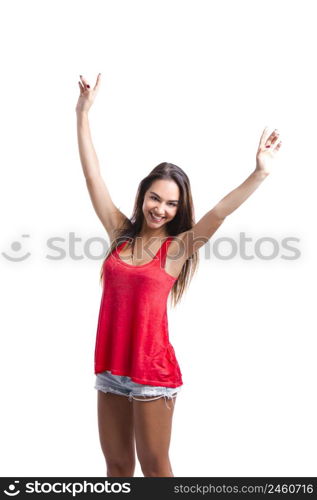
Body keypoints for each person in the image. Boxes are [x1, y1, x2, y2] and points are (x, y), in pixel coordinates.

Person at [76, 73, 282, 478]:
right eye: (155, 197)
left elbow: (219, 212)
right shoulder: (120, 234)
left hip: (151, 372)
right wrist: (83, 113)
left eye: (172, 204)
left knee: (155, 469)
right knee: (117, 468)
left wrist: (259, 173)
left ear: (179, 209)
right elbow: (93, 176)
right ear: (143, 195)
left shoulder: (178, 249)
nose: (161, 209)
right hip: (111, 369)